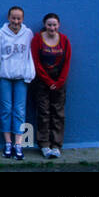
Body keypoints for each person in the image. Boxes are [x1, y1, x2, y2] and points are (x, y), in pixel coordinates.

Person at [0, 6, 36, 160]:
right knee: (6, 110)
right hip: (5, 78)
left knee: (20, 110)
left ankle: (18, 144)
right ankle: (7, 143)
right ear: (8, 18)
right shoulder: (0, 34)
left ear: (22, 19)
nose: (16, 21)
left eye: (19, 18)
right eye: (13, 18)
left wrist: (29, 74)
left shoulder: (28, 34)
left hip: (21, 78)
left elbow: (30, 55)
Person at [31, 13, 72, 159]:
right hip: (42, 81)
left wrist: (59, 82)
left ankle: (56, 145)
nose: (52, 27)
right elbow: (35, 61)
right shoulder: (37, 39)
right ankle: (45, 145)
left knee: (58, 113)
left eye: (54, 24)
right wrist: (48, 81)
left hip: (59, 81)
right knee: (44, 113)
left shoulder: (65, 40)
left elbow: (67, 62)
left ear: (58, 25)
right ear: (44, 25)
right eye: (49, 24)